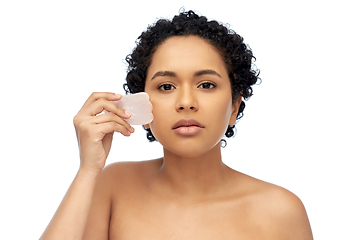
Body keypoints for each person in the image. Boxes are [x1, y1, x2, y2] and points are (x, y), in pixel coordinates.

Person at [40, 10, 313, 240]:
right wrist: (88, 170)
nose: (185, 102)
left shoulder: (280, 211)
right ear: (141, 107)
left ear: (234, 107)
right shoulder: (112, 186)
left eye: (206, 84)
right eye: (166, 86)